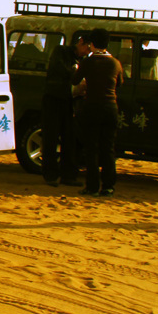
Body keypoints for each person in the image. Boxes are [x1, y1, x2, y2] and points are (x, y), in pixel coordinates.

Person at [72, 28, 124, 198]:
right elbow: (120, 84)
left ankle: (92, 186)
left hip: (92, 107)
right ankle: (108, 186)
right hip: (110, 108)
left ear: (92, 44)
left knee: (91, 148)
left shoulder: (88, 62)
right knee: (108, 148)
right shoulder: (115, 63)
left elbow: (75, 80)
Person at [41, 34, 90, 187]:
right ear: (80, 42)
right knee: (51, 138)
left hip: (70, 101)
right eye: (86, 48)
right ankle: (50, 175)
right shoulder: (61, 51)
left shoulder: (83, 60)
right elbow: (60, 69)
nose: (86, 52)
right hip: (54, 99)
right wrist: (76, 74)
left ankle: (68, 175)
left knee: (70, 139)